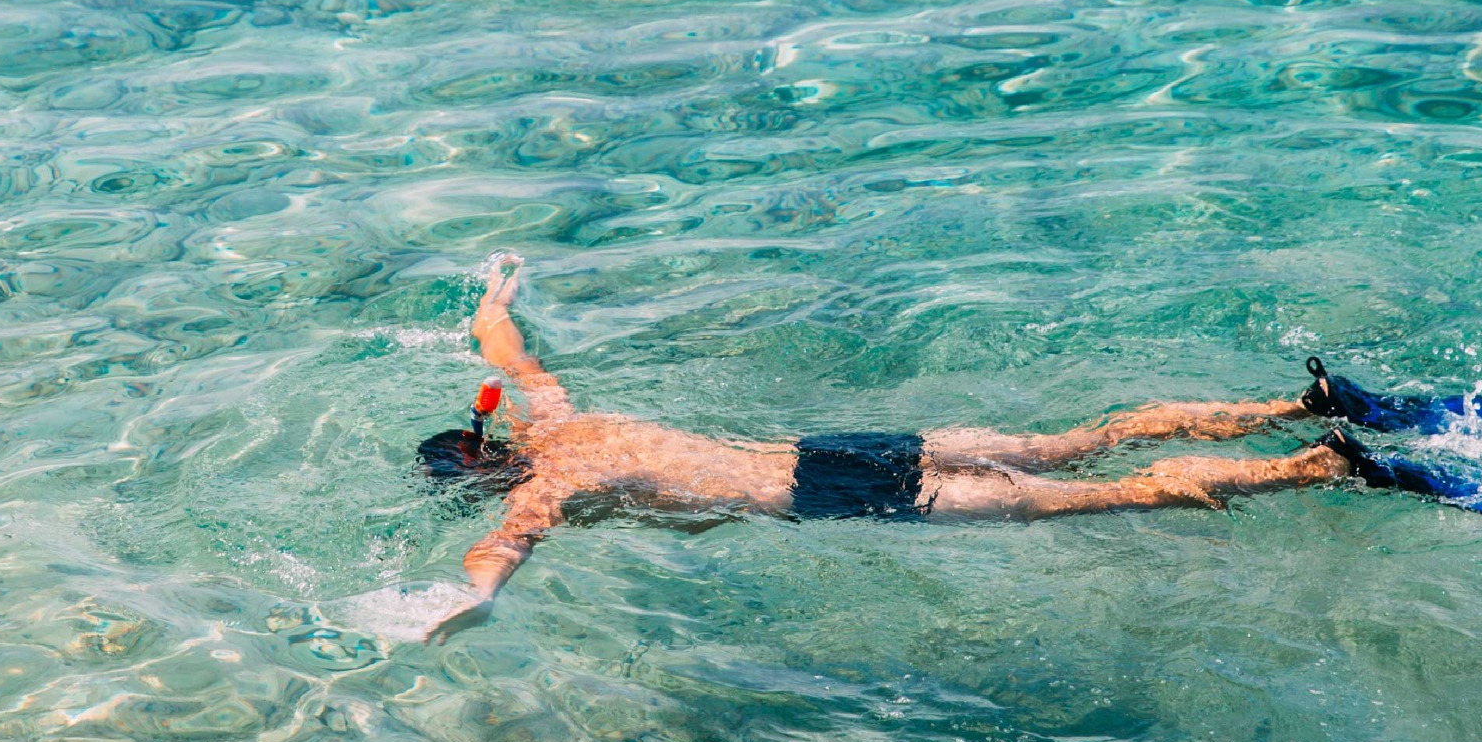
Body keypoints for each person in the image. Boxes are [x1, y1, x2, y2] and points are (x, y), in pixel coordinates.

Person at [416, 257, 1376, 640]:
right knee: (1083, 442)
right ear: (491, 433)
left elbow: (508, 545)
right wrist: (490, 306)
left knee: (1103, 497)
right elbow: (513, 353)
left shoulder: (551, 480)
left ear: (481, 483)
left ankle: (1313, 467)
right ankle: (1297, 405)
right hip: (830, 447)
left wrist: (466, 599)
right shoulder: (554, 424)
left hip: (827, 500)